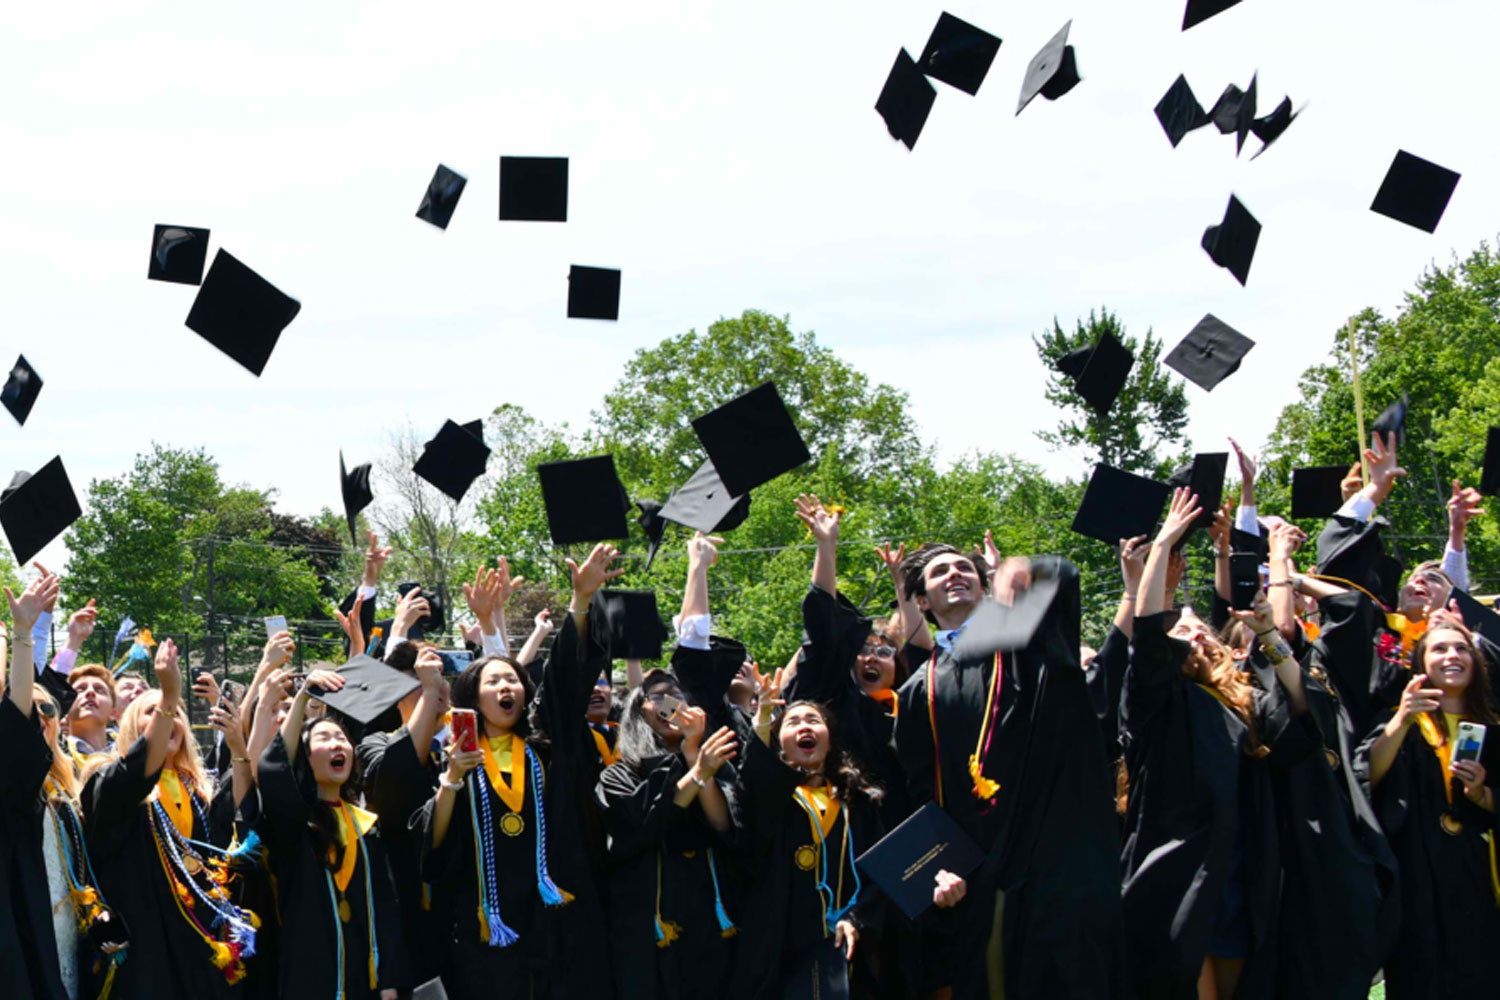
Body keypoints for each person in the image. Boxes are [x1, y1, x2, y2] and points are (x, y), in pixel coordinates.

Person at [894, 537, 1125, 999]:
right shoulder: (919, 690)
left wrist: (1029, 571)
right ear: (921, 601)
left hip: (1056, 846)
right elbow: (920, 791)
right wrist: (938, 868)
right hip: (983, 866)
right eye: (940, 573)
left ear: (985, 587)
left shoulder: (1023, 644)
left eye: (965, 568)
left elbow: (1063, 581)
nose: (955, 574)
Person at [1119, 489, 1318, 1000]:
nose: (1194, 634)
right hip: (1173, 865)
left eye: (1200, 628)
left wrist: (1271, 637)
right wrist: (1163, 545)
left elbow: (1301, 711)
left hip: (1238, 865)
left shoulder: (1243, 702)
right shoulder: (1156, 700)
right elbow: (1146, 634)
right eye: (1180, 629)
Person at [418, 542, 620, 1000]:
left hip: (554, 913)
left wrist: (581, 601)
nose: (507, 686)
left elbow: (567, 679)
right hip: (487, 922)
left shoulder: (547, 747)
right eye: (494, 682)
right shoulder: (460, 758)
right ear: (473, 697)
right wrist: (451, 780)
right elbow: (432, 840)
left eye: (513, 680)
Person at [80, 638, 259, 999]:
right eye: (156, 711)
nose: (170, 715)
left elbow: (235, 827)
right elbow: (131, 777)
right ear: (134, 728)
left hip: (201, 943)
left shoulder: (196, 790)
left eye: (177, 712)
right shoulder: (107, 777)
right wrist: (169, 693)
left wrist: (240, 747)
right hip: (146, 947)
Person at [1358, 617, 1500, 997]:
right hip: (1417, 870)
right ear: (1421, 664)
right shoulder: (1401, 721)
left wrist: (1481, 795)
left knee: (1481, 972)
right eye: (1439, 648)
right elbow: (1368, 775)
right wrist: (1403, 718)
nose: (1452, 655)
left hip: (1479, 871)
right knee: (1421, 974)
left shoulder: (1493, 726)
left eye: (1462, 648)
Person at [256, 667, 410, 1000]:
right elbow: (273, 772)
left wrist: (389, 981)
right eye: (324, 739)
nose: (338, 743)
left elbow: (386, 908)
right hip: (310, 975)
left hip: (364, 975)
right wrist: (303, 697)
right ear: (303, 757)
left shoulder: (366, 825)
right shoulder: (293, 824)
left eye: (342, 738)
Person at [730, 682, 882, 1000]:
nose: (804, 726)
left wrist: (858, 920)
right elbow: (754, 780)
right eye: (793, 722)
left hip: (848, 953)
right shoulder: (775, 801)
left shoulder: (858, 803)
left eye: (813, 720)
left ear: (830, 737)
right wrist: (763, 718)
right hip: (782, 954)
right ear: (778, 743)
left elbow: (880, 876)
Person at [595, 668, 741, 1000]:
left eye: (676, 698)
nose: (670, 706)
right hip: (646, 921)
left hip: (707, 913)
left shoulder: (712, 761)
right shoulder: (618, 774)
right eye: (658, 697)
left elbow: (722, 825)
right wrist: (698, 770)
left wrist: (695, 757)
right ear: (638, 708)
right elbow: (642, 827)